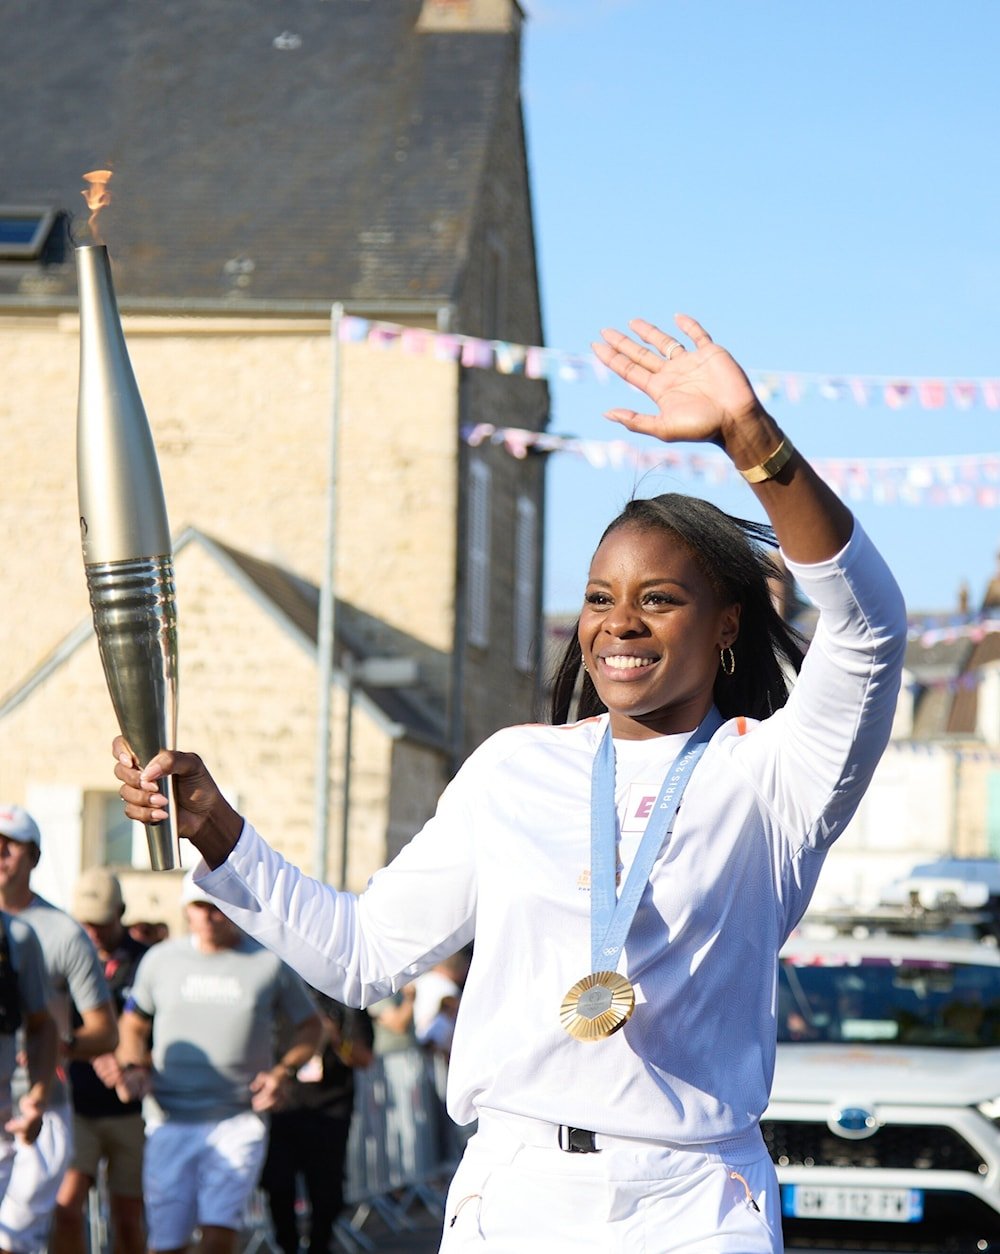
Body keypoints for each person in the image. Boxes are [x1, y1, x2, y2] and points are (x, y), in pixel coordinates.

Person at [112, 313, 908, 1252]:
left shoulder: (775, 775)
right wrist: (220, 832)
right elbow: (365, 955)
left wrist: (751, 438)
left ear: (728, 625)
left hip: (693, 1202)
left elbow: (868, 625)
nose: (621, 625)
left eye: (659, 598)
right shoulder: (514, 766)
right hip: (514, 1193)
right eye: (600, 599)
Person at [114, 873, 322, 1254]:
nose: (209, 917)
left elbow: (310, 1026)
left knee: (218, 1233)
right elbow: (132, 1023)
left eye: (217, 908)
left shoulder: (267, 962)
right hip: (168, 1118)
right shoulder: (160, 960)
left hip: (238, 1118)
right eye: (199, 907)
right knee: (167, 1242)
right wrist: (134, 1065)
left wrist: (283, 1072)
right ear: (185, 910)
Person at [0, 806, 118, 1254]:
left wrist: (53, 1047)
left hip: (41, 1106)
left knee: (12, 1240)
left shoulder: (64, 933)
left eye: (10, 846)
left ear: (33, 857)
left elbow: (105, 1033)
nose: (1, 855)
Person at [51, 868, 149, 1254]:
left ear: (121, 913)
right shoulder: (66, 957)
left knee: (127, 1216)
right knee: (67, 1209)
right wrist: (84, 1047)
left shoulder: (146, 962)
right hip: (77, 1107)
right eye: (84, 923)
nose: (91, 933)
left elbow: (162, 1030)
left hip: (129, 1112)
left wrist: (137, 1062)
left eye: (100, 924)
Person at [260, 990, 373, 1254]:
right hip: (284, 1109)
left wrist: (334, 1036)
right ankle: (287, 1245)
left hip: (331, 1109)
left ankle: (319, 1245)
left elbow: (364, 1058)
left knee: (326, 1190)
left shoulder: (347, 1003)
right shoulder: (282, 997)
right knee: (278, 1184)